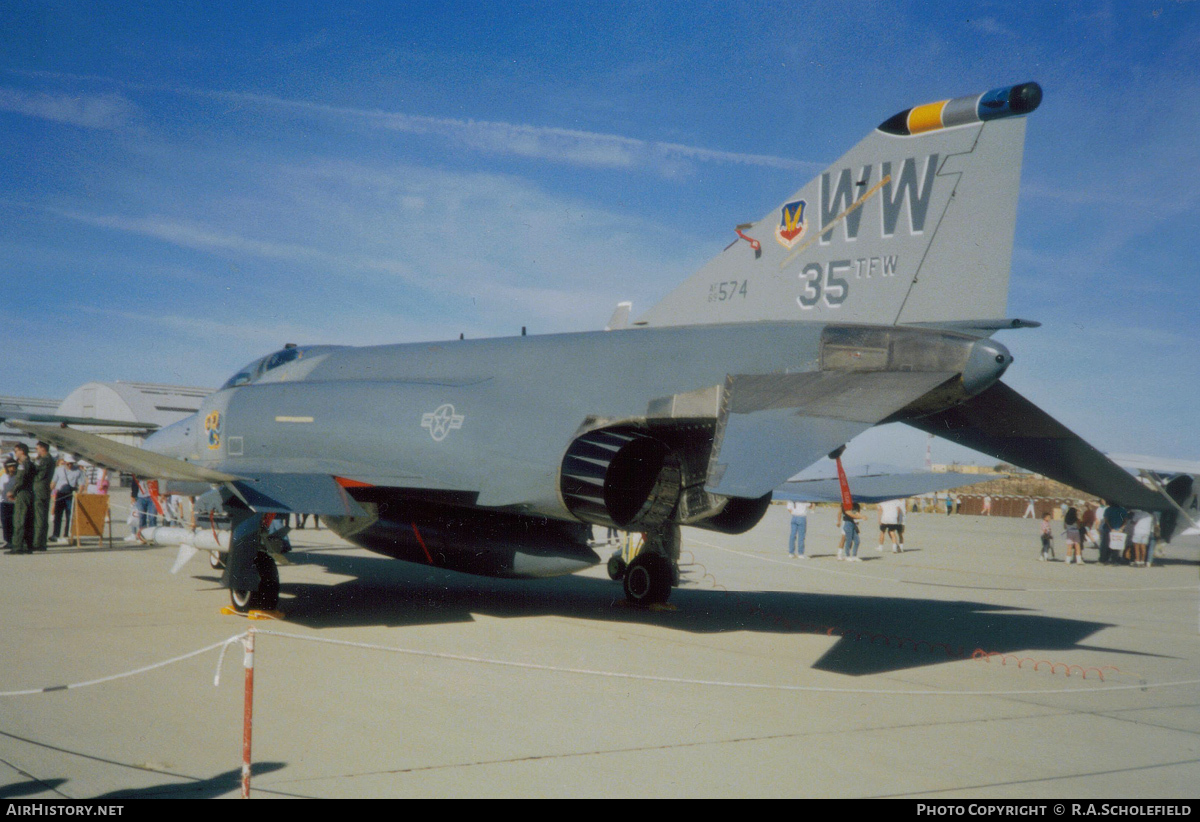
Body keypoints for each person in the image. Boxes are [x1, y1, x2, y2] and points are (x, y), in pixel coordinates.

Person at [6, 444, 34, 554]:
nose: (15, 453)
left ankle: (17, 546)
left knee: (19, 519)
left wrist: (12, 492)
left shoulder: (23, 464)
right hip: (29, 493)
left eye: (16, 450)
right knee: (27, 520)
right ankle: (28, 545)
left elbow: (20, 480)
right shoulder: (30, 463)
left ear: (22, 451)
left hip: (22, 493)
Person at [51, 456, 83, 543]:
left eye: (71, 463)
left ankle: (67, 534)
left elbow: (81, 484)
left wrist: (79, 494)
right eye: (68, 463)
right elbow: (54, 481)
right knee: (58, 515)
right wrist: (50, 492)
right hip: (60, 493)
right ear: (65, 462)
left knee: (69, 515)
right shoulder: (58, 469)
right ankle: (55, 534)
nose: (69, 465)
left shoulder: (78, 471)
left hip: (71, 494)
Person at [30, 442, 54, 552]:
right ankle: (42, 542)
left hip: (39, 489)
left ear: (43, 448)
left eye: (37, 448)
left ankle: (37, 542)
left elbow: (35, 471)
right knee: (43, 517)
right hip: (45, 489)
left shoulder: (44, 459)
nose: (37, 450)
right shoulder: (50, 459)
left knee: (39, 517)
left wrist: (35, 460)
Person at [0, 459, 16, 547]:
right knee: (5, 522)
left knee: (14, 522)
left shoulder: (17, 477)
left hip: (14, 503)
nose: (12, 469)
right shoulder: (3, 477)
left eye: (13, 467)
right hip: (4, 502)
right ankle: (7, 540)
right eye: (10, 467)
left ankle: (14, 540)